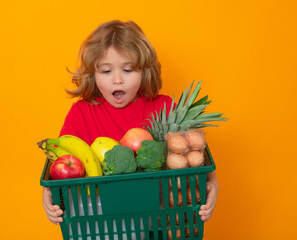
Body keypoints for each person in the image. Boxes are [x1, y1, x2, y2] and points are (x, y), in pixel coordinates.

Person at [42, 20, 218, 226]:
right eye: (106, 71)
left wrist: (213, 182)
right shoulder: (81, 113)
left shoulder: (165, 108)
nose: (117, 80)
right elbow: (61, 163)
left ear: (145, 71)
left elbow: (194, 154)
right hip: (102, 224)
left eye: (128, 70)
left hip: (158, 222)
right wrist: (49, 194)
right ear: (93, 74)